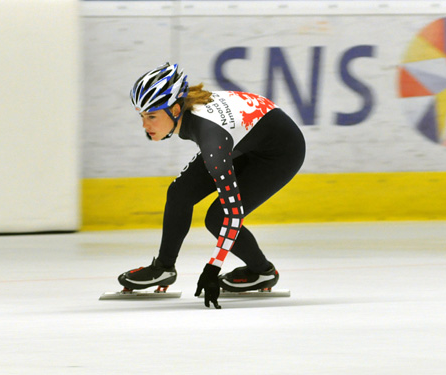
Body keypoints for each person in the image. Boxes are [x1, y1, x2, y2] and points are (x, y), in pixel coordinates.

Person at [118, 63, 306, 308]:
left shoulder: (210, 138)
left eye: (152, 116)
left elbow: (234, 213)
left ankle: (262, 271)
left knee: (217, 217)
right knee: (179, 193)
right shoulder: (190, 115)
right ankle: (163, 268)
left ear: (175, 108)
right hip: (247, 139)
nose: (145, 126)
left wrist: (213, 267)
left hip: (280, 152)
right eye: (142, 116)